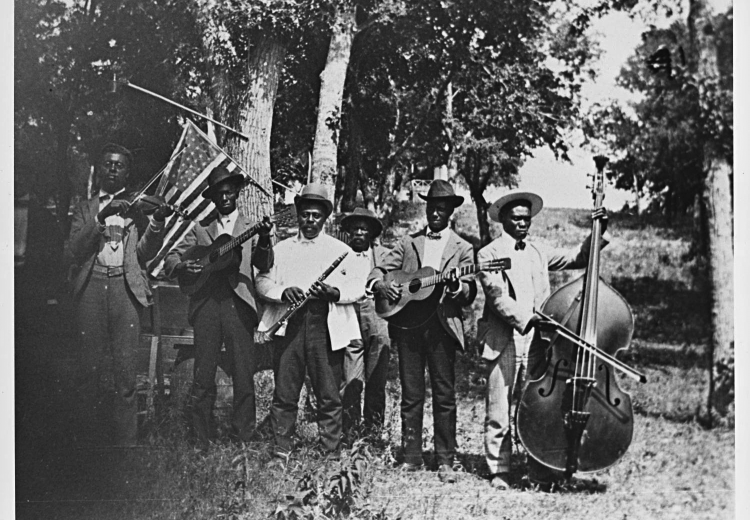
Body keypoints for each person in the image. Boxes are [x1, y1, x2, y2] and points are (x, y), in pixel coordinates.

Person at [476, 189, 609, 491]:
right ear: (504, 220)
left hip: (537, 342)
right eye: (516, 219)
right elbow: (497, 297)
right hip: (504, 339)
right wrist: (528, 318)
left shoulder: (538, 251)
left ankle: (537, 466)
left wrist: (598, 231)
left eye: (527, 219)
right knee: (499, 408)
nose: (523, 224)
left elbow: (579, 257)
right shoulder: (489, 253)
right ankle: (499, 469)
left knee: (535, 405)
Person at [367, 179, 477, 483]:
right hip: (408, 327)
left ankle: (445, 461)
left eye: (442, 208)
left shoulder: (463, 248)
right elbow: (380, 269)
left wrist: (456, 285)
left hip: (442, 327)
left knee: (444, 395)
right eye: (432, 207)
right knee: (411, 394)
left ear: (451, 212)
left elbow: (469, 291)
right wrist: (381, 285)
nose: (436, 213)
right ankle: (412, 457)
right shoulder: (408, 242)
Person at [69, 143, 173, 446]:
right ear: (100, 169)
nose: (113, 169)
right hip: (91, 286)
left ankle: (126, 446)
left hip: (124, 289)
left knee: (126, 372)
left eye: (119, 165)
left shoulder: (136, 206)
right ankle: (85, 443)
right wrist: (102, 217)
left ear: (127, 172)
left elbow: (145, 254)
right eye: (108, 164)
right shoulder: (85, 206)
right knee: (88, 368)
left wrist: (157, 221)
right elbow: (75, 249)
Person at [164, 166, 274, 450]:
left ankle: (243, 440)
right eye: (218, 194)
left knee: (243, 371)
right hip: (207, 304)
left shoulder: (250, 227)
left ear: (237, 193)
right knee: (203, 372)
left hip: (238, 304)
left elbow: (264, 264)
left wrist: (263, 238)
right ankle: (200, 439)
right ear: (212, 197)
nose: (224, 197)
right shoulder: (201, 227)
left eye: (229, 192)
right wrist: (182, 265)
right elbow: (172, 256)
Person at [256, 183, 363, 457]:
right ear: (298, 214)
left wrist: (334, 292)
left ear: (325, 217)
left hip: (324, 324)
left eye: (316, 215)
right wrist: (282, 292)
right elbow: (262, 281)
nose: (310, 220)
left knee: (328, 391)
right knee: (285, 389)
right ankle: (282, 449)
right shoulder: (282, 248)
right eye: (305, 214)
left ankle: (330, 450)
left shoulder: (341, 251)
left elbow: (358, 286)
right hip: (290, 323)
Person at [339, 207, 391, 438]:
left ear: (371, 233)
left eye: (364, 229)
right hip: (348, 315)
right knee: (351, 379)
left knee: (377, 379)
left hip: (377, 316)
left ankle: (374, 433)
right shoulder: (340, 254)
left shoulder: (386, 255)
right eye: (355, 229)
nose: (359, 233)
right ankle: (350, 432)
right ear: (348, 232)